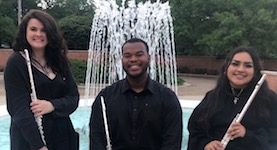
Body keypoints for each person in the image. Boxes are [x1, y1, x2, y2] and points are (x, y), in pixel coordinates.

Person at [4, 9, 79, 150]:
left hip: (63, 137)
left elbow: (73, 98)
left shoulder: (59, 61)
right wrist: (39, 146)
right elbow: (18, 110)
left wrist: (52, 105)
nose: (38, 34)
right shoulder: (17, 62)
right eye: (33, 29)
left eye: (43, 30)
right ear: (25, 32)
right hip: (30, 140)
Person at [89, 38, 183, 150]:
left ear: (149, 58)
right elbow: (96, 138)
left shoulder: (167, 98)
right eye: (127, 56)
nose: (133, 59)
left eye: (139, 54)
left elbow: (172, 141)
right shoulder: (105, 97)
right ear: (122, 59)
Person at [187, 46, 277, 150]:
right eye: (235, 64)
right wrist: (206, 144)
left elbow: (274, 134)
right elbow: (196, 129)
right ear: (226, 68)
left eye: (248, 66)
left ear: (255, 72)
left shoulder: (268, 99)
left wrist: (247, 135)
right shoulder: (212, 97)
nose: (240, 69)